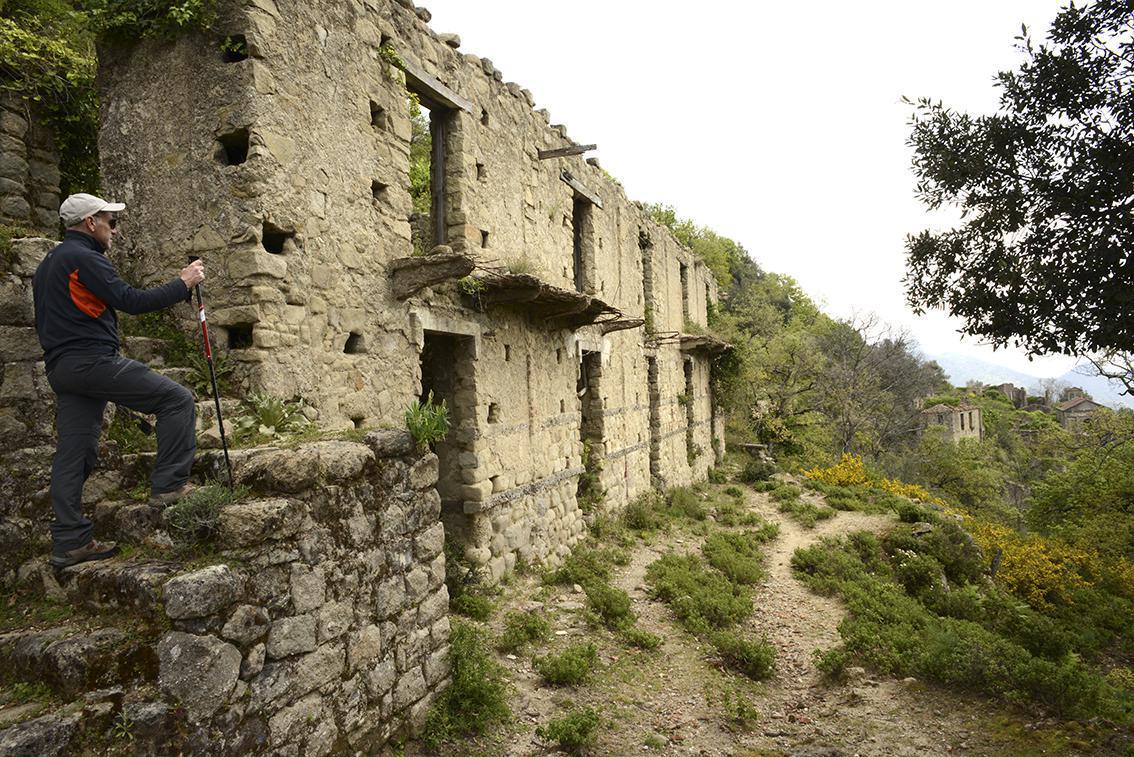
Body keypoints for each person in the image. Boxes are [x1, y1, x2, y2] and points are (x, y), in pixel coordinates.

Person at [33, 193, 206, 569]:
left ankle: (69, 542)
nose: (115, 229)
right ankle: (171, 486)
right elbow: (132, 300)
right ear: (90, 222)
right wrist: (183, 283)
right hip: (91, 361)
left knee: (75, 452)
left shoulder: (50, 262)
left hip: (62, 368)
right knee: (176, 399)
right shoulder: (83, 257)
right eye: (111, 221)